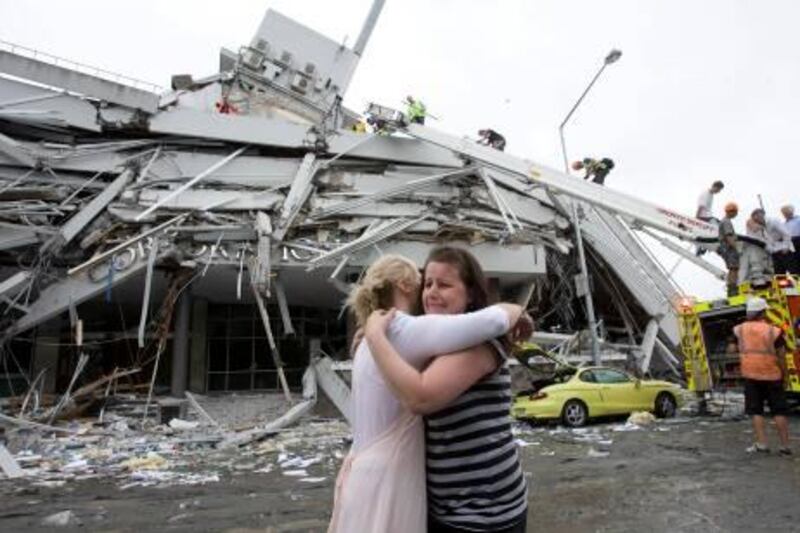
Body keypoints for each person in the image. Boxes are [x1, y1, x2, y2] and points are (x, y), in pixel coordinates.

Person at [327, 254, 529, 533]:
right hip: (440, 504)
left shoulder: (479, 343)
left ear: (470, 293)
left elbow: (421, 397)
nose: (431, 292)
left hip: (482, 512)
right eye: (428, 284)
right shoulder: (421, 338)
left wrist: (375, 337)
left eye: (444, 285)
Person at [733, 297, 792, 456]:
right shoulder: (774, 331)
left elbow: (732, 347)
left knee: (756, 411)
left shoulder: (740, 330)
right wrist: (785, 375)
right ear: (763, 312)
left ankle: (762, 444)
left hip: (751, 375)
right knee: (779, 411)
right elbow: (781, 356)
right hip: (772, 376)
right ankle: (785, 446)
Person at [747, 208, 794, 275]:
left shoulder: (773, 221)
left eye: (757, 218)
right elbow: (764, 241)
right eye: (755, 220)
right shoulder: (761, 228)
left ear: (762, 215)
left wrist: (786, 247)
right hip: (774, 251)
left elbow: (786, 234)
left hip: (785, 249)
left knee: (793, 271)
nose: (756, 221)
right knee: (779, 274)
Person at [718, 202, 740, 296]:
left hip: (725, 248)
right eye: (736, 212)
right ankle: (732, 289)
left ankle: (731, 287)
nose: (736, 214)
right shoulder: (726, 221)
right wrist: (737, 248)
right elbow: (729, 236)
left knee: (733, 268)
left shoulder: (724, 221)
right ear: (732, 211)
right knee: (734, 268)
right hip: (729, 248)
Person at [780, 204, 800, 274]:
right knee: (794, 265)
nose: (785, 213)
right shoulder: (783, 225)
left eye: (786, 211)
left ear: (792, 211)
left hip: (798, 241)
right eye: (783, 212)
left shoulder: (798, 220)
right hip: (790, 244)